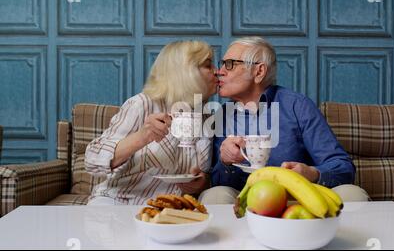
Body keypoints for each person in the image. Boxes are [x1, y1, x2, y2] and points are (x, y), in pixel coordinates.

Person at [199, 37, 369, 204]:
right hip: (246, 199)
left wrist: (312, 173)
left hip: (297, 198)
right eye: (222, 64)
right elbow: (218, 180)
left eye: (230, 64)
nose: (220, 71)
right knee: (215, 196)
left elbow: (343, 166)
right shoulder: (223, 114)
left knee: (352, 194)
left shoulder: (297, 106)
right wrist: (226, 162)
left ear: (259, 71)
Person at [84, 40, 218, 205]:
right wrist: (142, 137)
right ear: (186, 72)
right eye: (208, 66)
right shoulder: (142, 104)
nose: (216, 72)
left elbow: (202, 177)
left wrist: (200, 183)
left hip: (172, 207)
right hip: (120, 200)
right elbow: (91, 159)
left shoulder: (205, 116)